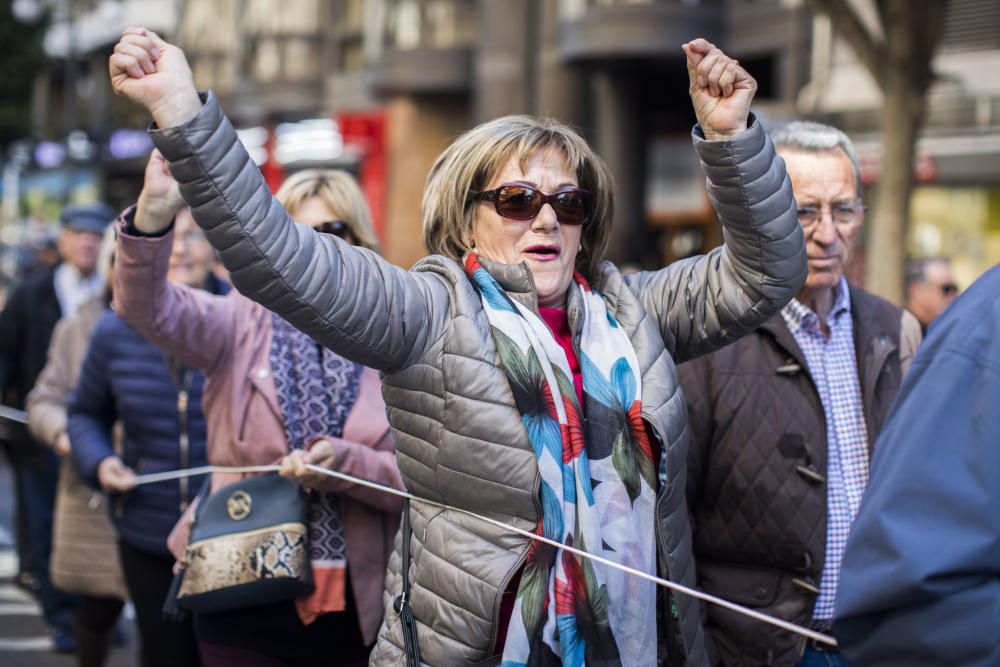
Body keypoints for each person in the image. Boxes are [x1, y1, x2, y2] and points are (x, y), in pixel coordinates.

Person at [109, 28, 808, 666]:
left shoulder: (635, 310)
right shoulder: (431, 312)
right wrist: (182, 113)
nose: (546, 218)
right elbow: (278, 255)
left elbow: (767, 272)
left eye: (568, 203)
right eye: (516, 199)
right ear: (466, 216)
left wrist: (732, 138)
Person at [114, 152, 403, 667]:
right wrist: (154, 212)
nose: (314, 245)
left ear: (360, 240)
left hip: (360, 606)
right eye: (294, 231)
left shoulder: (394, 344)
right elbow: (145, 306)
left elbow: (418, 483)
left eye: (332, 229)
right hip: (240, 589)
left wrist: (345, 464)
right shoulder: (236, 323)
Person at [677, 120, 922, 667]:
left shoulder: (895, 330)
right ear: (766, 214)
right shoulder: (710, 337)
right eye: (805, 211)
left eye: (844, 210)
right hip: (757, 650)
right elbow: (674, 522)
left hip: (877, 640)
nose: (827, 233)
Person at [66, 206, 225, 667]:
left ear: (213, 246)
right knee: (164, 655)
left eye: (194, 235)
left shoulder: (243, 318)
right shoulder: (114, 329)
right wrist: (99, 462)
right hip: (147, 533)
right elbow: (83, 413)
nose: (179, 247)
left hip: (228, 529)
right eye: (167, 235)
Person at [832, 266, 1000, 667]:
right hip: (777, 630)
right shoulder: (973, 336)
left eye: (843, 209)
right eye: (944, 288)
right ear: (916, 289)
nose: (826, 233)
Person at [0, 202, 112, 651]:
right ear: (63, 239)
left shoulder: (119, 291)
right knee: (45, 525)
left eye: (94, 235)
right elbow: (6, 354)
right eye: (78, 233)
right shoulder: (32, 292)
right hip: (39, 434)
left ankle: (98, 610)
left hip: (104, 437)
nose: (86, 242)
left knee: (101, 527)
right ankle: (61, 613)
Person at [26, 225, 129, 667]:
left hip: (170, 493)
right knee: (96, 611)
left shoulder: (203, 316)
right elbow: (44, 400)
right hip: (93, 492)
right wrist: (66, 434)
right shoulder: (78, 326)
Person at [904, 257, 958, 334]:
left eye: (954, 289)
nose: (952, 296)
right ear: (915, 289)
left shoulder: (944, 329)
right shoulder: (899, 331)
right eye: (946, 289)